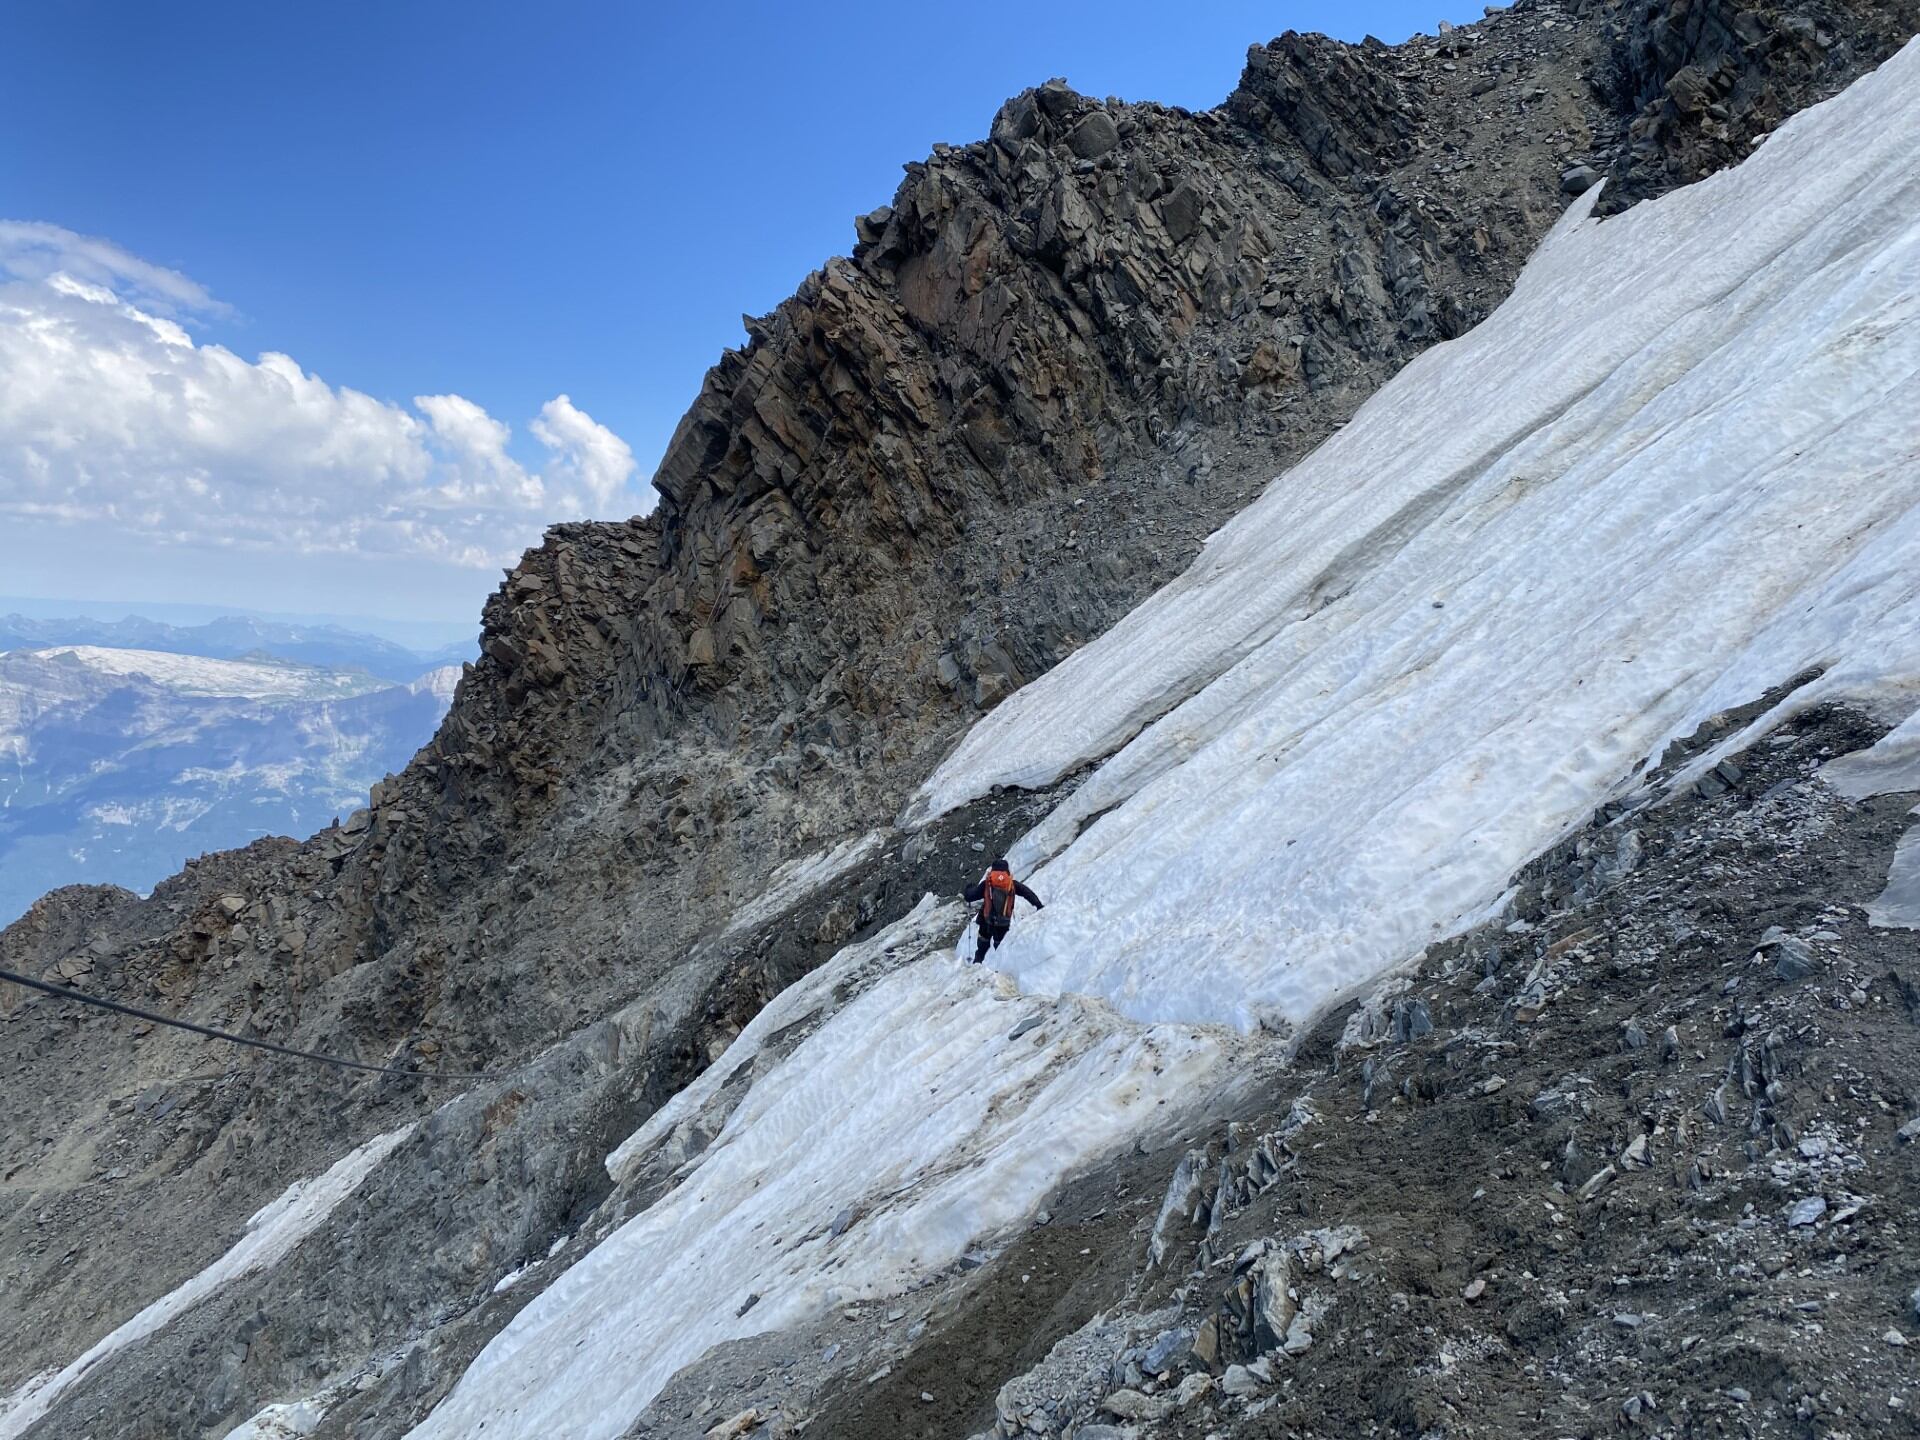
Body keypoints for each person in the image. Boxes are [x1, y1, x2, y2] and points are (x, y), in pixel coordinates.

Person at [963, 857, 1043, 964]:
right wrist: (1039, 905)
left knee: (982, 948)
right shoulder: (1011, 884)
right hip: (1003, 923)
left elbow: (969, 897)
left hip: (986, 921)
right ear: (1007, 871)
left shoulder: (987, 883)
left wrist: (969, 887)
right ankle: (998, 970)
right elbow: (1028, 893)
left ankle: (977, 964)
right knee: (999, 948)